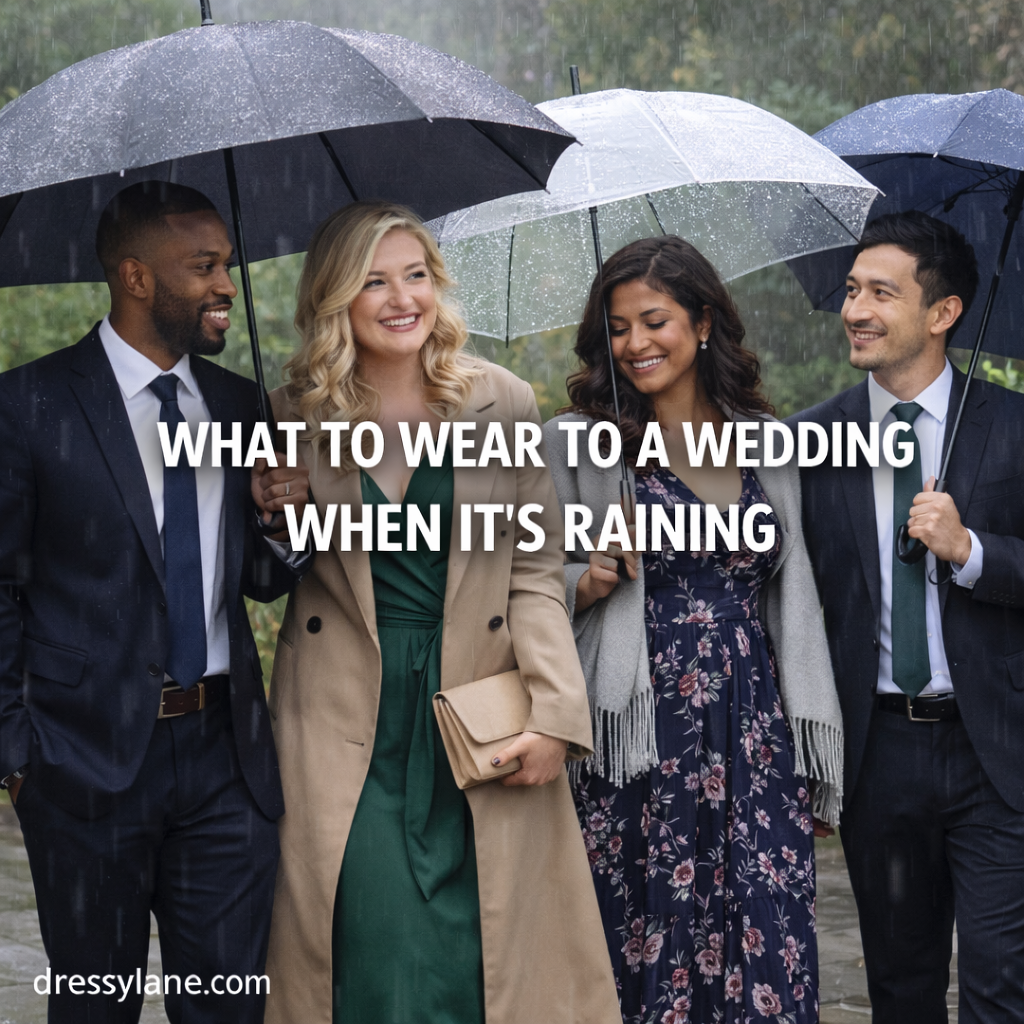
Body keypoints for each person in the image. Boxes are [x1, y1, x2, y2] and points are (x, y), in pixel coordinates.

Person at [262, 200, 620, 1024]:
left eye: (416, 276)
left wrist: (558, 714)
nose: (402, 299)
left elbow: (534, 570)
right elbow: (262, 573)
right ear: (334, 299)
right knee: (369, 952)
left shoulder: (501, 400)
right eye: (373, 281)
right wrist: (273, 507)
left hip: (474, 709)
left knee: (479, 958)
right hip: (344, 717)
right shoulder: (290, 414)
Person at [0, 180, 311, 1023]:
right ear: (136, 278)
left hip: (224, 764)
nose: (225, 285)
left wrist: (285, 522)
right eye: (204, 266)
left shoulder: (242, 404)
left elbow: (261, 579)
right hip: (81, 761)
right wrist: (19, 757)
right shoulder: (27, 406)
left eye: (227, 264)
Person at [544, 235, 844, 1024]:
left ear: (703, 321)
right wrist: (586, 576)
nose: (634, 343)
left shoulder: (765, 441)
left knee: (768, 933)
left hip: (754, 730)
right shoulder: (577, 444)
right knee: (641, 940)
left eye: (654, 320)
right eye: (616, 327)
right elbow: (514, 581)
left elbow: (794, 595)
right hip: (639, 731)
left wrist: (811, 741)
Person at [793, 211, 1024, 1024]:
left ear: (942, 313)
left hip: (998, 752)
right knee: (900, 987)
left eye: (881, 293)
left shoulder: (1014, 428)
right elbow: (786, 595)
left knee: (1003, 988)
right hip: (878, 752)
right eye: (852, 290)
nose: (856, 308)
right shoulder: (808, 443)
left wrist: (971, 550)